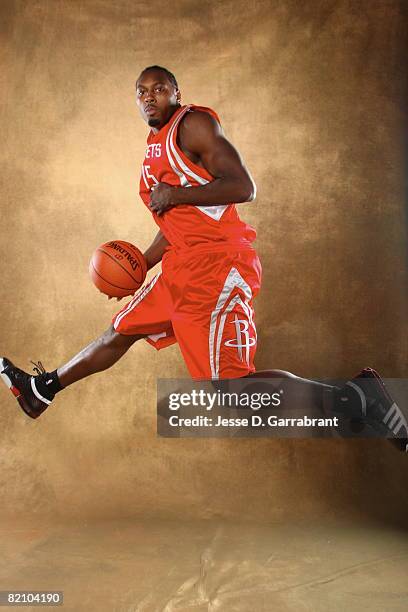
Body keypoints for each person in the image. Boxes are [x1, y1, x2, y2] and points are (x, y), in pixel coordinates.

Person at [1, 66, 407, 451]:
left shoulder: (193, 125)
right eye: (142, 91)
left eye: (159, 88)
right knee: (120, 330)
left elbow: (243, 186)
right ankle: (43, 390)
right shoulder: (153, 147)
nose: (150, 97)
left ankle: (356, 398)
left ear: (176, 92)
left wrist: (175, 194)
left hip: (216, 267)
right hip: (182, 264)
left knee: (233, 394)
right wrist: (143, 262)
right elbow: (180, 220)